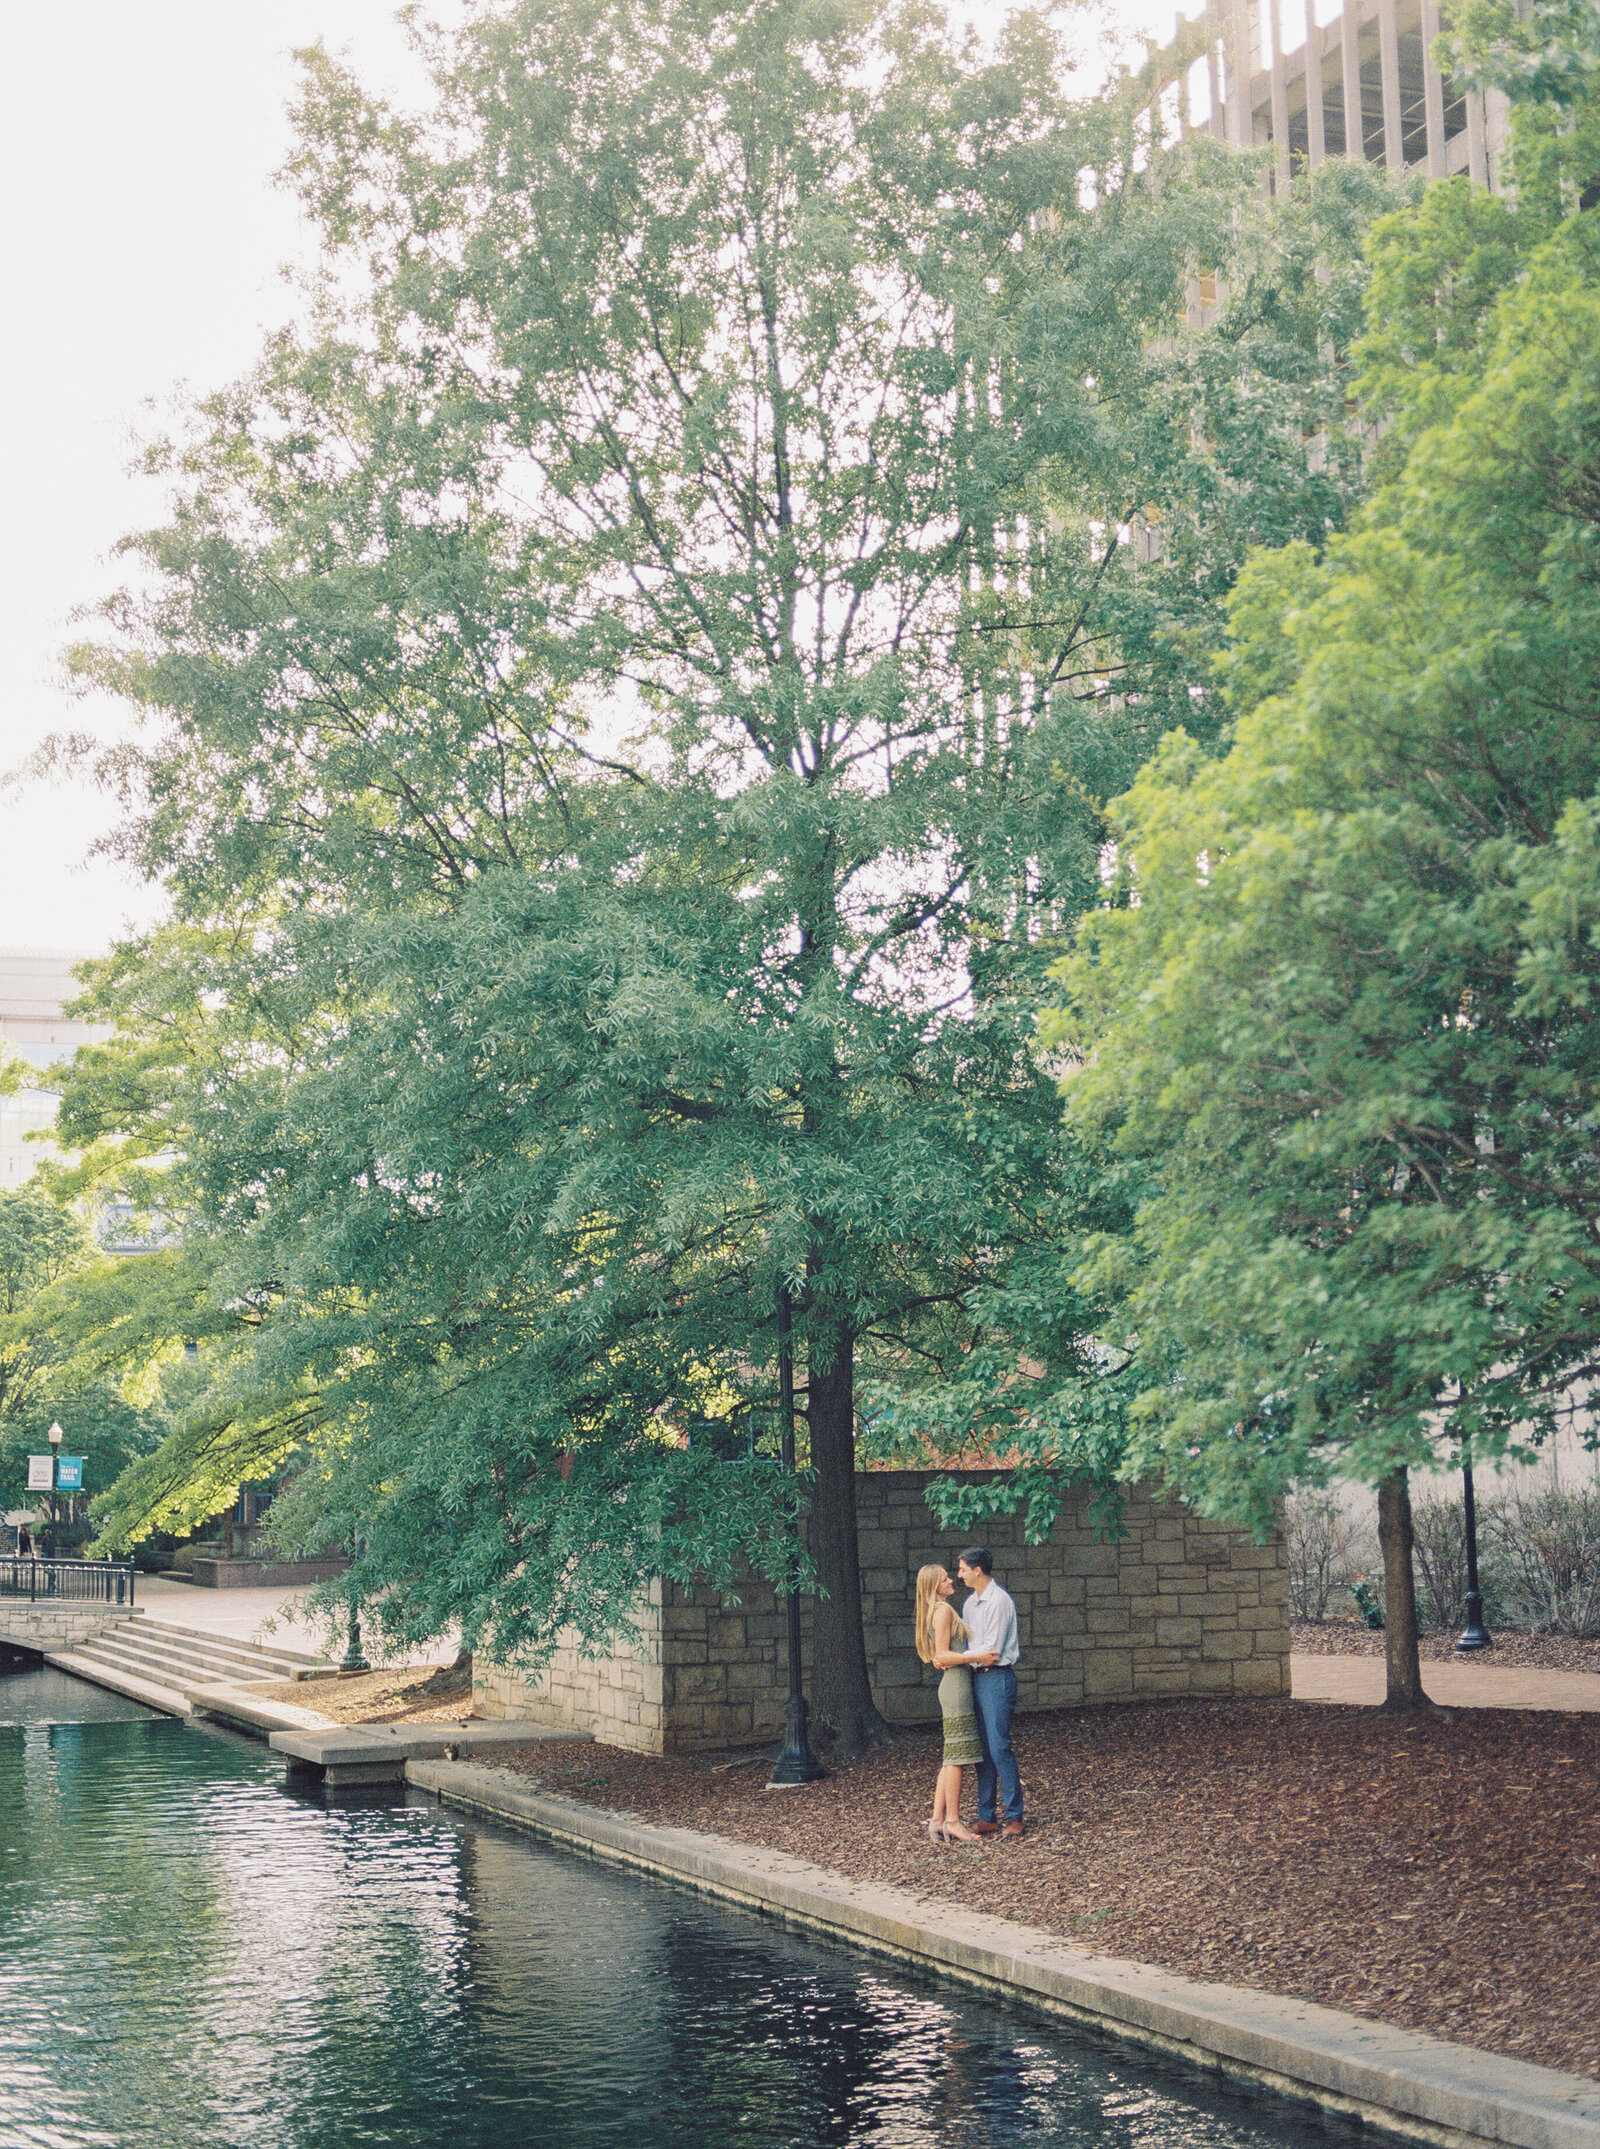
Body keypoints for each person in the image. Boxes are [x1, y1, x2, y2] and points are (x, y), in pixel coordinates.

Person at [912, 1563, 995, 1843]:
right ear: (933, 1585)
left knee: (951, 1757)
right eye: (945, 1578)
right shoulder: (944, 1611)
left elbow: (937, 1658)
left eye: (950, 1576)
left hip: (953, 1686)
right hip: (956, 1688)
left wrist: (951, 1658)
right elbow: (944, 1657)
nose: (951, 1581)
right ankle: (953, 1822)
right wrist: (978, 1657)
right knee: (957, 1759)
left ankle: (937, 1820)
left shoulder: (934, 1611)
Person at [956, 1544, 1024, 1838]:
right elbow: (975, 1650)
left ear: (977, 1570)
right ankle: (987, 1817)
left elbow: (992, 1651)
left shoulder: (999, 1601)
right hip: (977, 1678)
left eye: (962, 1569)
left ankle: (1014, 1816)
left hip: (996, 1678)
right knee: (982, 1751)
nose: (959, 1575)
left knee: (999, 1747)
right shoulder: (970, 1604)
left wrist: (959, 1658)